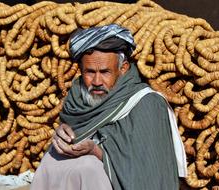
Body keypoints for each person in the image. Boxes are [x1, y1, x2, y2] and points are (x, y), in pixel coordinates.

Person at [30, 24, 187, 190]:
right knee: (51, 160)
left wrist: (96, 151)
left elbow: (149, 171)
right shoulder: (76, 99)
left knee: (89, 167)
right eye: (90, 72)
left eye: (105, 72)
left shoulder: (147, 104)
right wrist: (62, 135)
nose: (97, 81)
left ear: (123, 68)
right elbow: (78, 131)